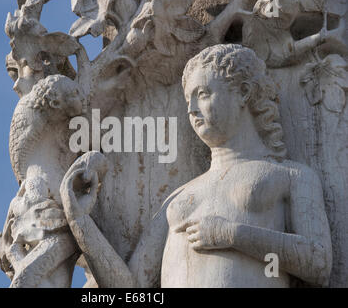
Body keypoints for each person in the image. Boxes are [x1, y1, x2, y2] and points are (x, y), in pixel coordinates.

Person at [60, 44, 332, 288]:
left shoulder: (291, 176)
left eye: (202, 94)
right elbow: (130, 288)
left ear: (244, 93)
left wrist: (233, 235)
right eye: (188, 98)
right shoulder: (176, 200)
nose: (191, 108)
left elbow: (318, 263)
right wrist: (79, 220)